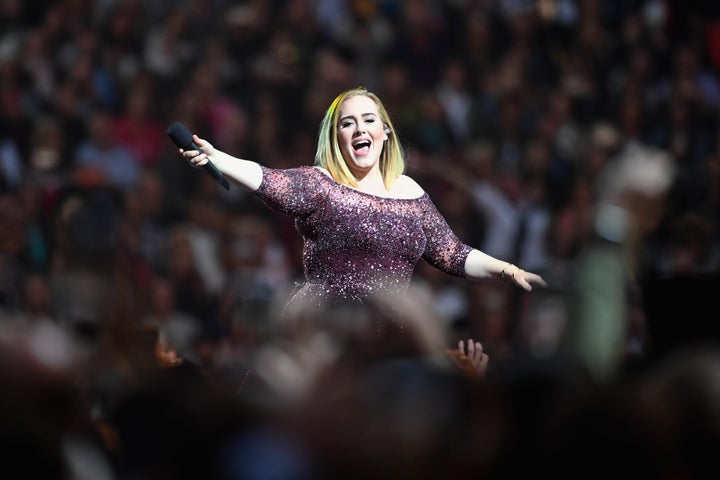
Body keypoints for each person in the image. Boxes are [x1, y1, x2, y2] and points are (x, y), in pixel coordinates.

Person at [178, 86, 546, 317]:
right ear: (336, 136)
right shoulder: (322, 183)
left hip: (386, 333)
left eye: (368, 120)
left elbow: (451, 252)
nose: (358, 129)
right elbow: (268, 180)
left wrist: (504, 268)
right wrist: (218, 158)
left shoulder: (411, 192)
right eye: (347, 122)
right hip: (327, 329)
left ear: (384, 132)